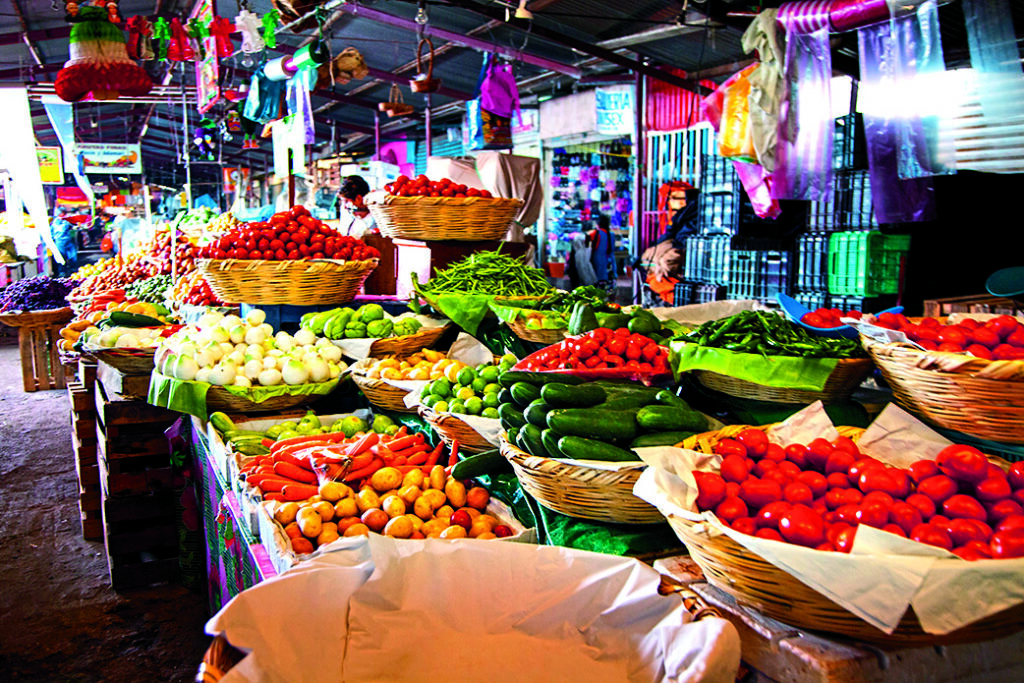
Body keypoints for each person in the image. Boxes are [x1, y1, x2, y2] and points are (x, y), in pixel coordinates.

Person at [638, 182, 701, 304]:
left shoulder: (691, 212)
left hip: (675, 259)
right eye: (671, 198)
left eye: (676, 198)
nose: (671, 201)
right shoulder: (684, 214)